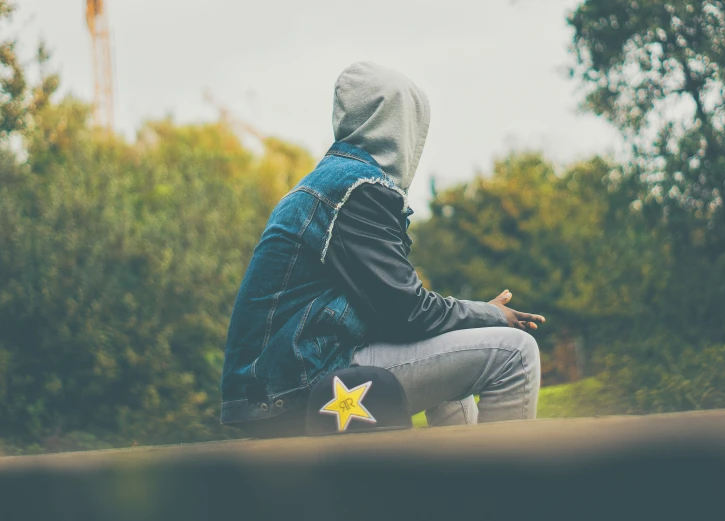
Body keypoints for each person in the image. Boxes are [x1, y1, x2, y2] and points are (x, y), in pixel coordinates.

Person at [220, 62, 545, 438]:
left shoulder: (329, 183)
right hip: (305, 383)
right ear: (399, 124)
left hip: (281, 384)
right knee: (516, 354)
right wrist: (488, 315)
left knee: (449, 347)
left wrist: (467, 322)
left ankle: (462, 486)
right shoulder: (359, 190)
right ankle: (504, 493)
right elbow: (408, 312)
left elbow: (392, 313)